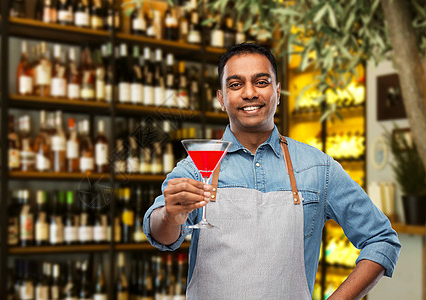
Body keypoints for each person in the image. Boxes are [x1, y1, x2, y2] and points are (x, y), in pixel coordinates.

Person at [143, 43, 401, 299]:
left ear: (277, 92)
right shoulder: (195, 167)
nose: (249, 93)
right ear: (221, 99)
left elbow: (381, 239)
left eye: (261, 82)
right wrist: (170, 216)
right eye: (235, 84)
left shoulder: (318, 168)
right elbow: (161, 235)